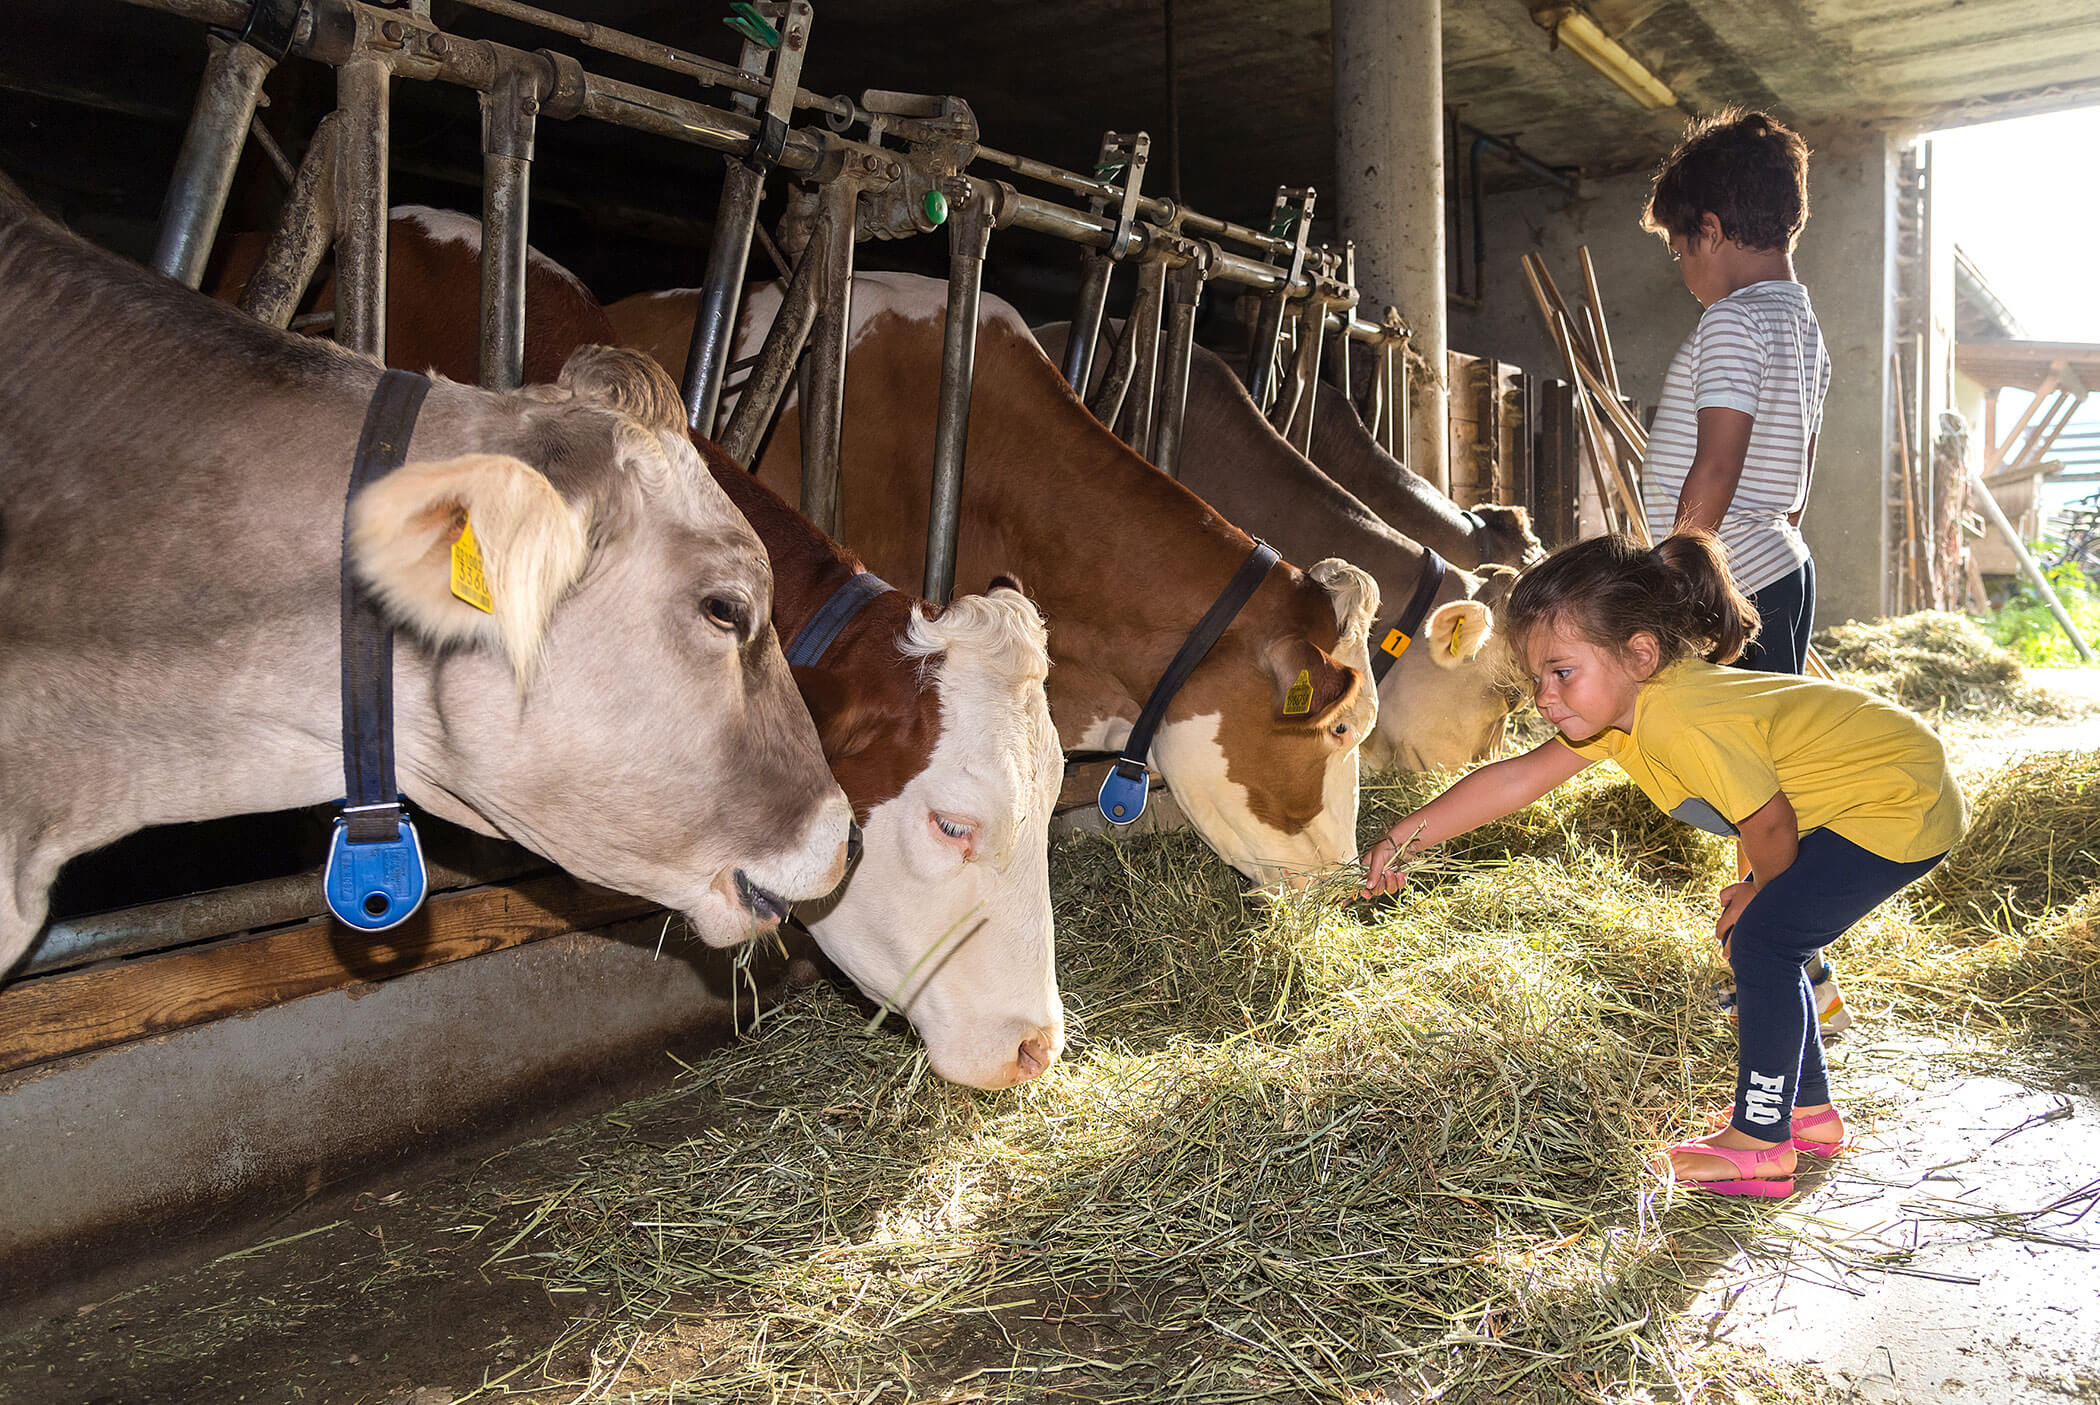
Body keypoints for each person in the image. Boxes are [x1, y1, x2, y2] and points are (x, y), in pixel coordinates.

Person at [1358, 534, 1965, 1197]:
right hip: (1866, 794)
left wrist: (1758, 892)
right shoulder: (1624, 708)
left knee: (1763, 939)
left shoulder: (1678, 717)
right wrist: (1404, 836)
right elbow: (1519, 777)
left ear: (1640, 653)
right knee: (1766, 937)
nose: (1544, 698)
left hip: (1897, 799)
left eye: (1561, 672)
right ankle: (1806, 1113)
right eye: (1536, 679)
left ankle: (1761, 1144)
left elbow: (1768, 823)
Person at [1640, 110, 1847, 1025]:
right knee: (1766, 775)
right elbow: (1793, 477)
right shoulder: (1804, 329)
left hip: (1729, 578)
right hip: (1779, 563)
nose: (1684, 273)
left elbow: (1718, 462)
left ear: (1712, 233)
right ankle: (1782, 956)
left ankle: (1790, 972)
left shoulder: (1731, 325)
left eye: (1682, 250)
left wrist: (1673, 575)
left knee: (1749, 785)